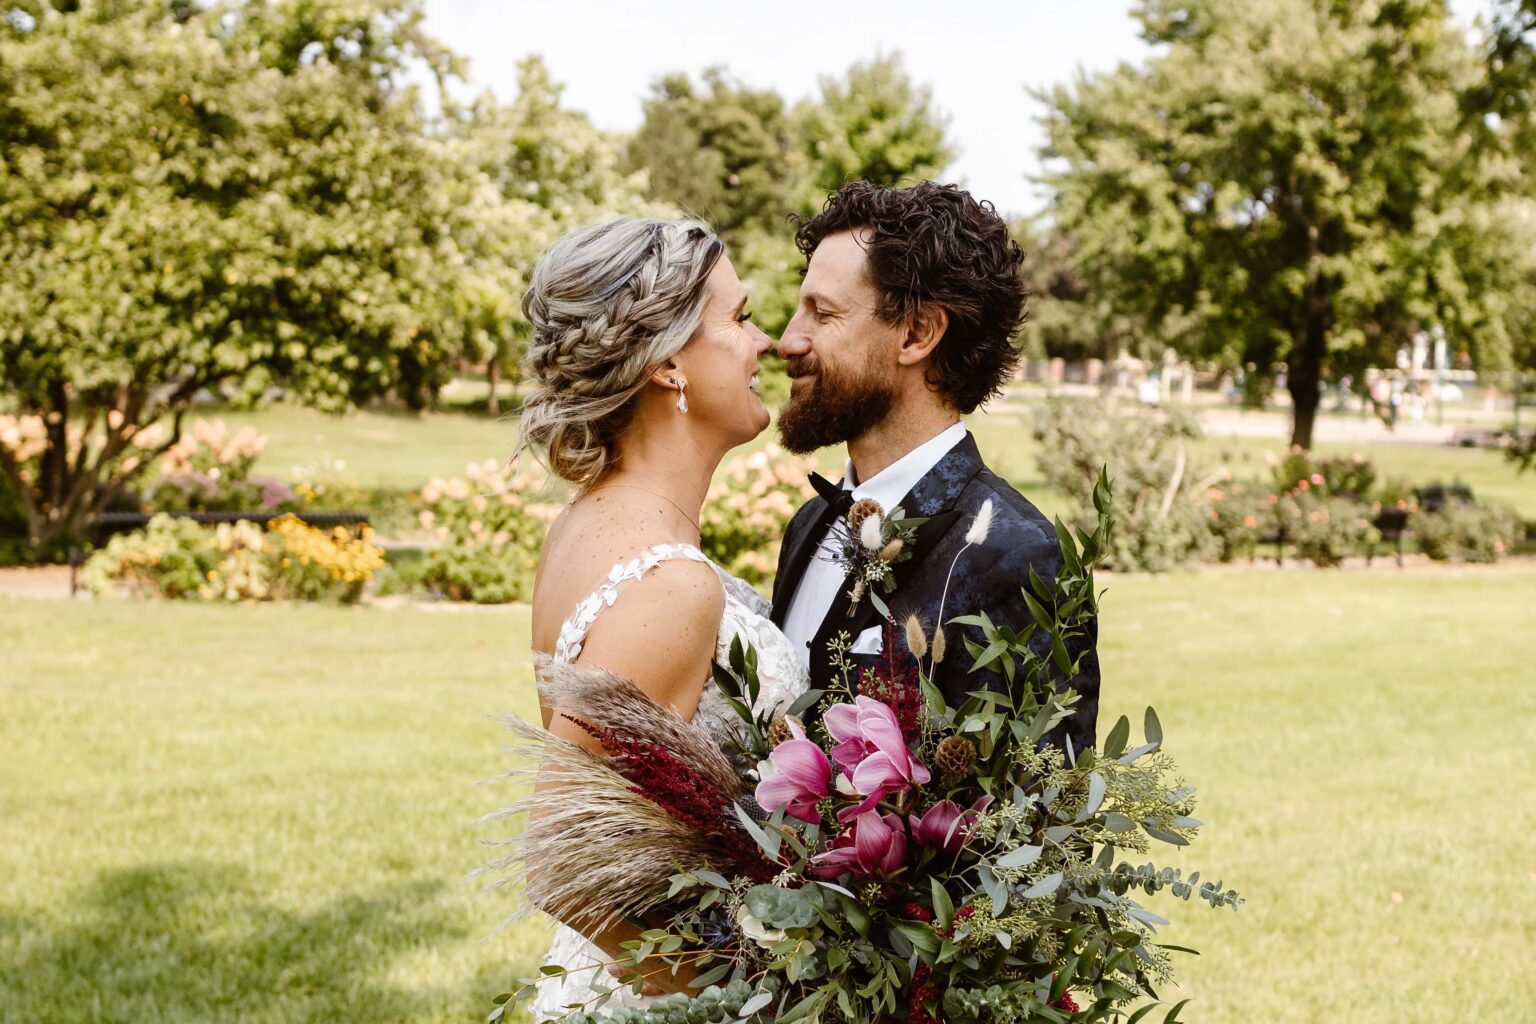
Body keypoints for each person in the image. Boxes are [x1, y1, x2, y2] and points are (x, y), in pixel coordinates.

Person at [517, 218, 810, 1019]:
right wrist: (740, 987)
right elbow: (562, 863)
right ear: (669, 362)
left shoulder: (592, 520)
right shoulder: (666, 584)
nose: (766, 344)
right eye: (741, 318)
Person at [770, 180, 1099, 757]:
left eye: (822, 313)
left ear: (917, 334)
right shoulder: (808, 526)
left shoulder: (1017, 557)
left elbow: (1040, 798)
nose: (787, 341)